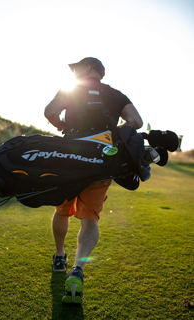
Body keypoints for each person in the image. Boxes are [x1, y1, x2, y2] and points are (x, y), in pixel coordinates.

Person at [44, 57, 143, 303]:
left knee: (63, 210)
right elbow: (136, 122)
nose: (75, 71)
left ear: (90, 69)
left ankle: (59, 257)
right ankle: (77, 268)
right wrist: (113, 132)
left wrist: (62, 123)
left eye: (78, 67)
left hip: (69, 159)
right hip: (101, 162)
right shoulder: (115, 94)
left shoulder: (71, 90)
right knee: (90, 218)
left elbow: (49, 112)